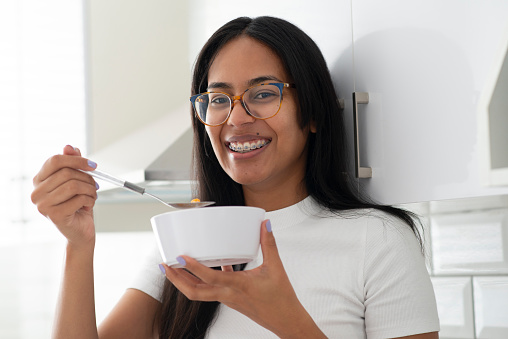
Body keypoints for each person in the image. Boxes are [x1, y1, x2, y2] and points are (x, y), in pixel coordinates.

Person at [31, 16, 439, 339]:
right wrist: (78, 245)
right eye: (218, 99)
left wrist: (287, 321)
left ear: (312, 113)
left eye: (264, 93)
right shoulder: (184, 239)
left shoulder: (379, 240)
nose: (236, 119)